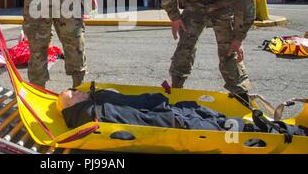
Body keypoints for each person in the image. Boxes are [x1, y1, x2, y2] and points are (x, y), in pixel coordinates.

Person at [56, 89, 308, 138]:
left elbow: (132, 103)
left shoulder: (97, 99)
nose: (77, 92)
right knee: (227, 130)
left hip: (170, 113)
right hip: (173, 124)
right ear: (72, 106)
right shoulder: (88, 114)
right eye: (73, 95)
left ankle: (276, 129)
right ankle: (292, 134)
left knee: (206, 112)